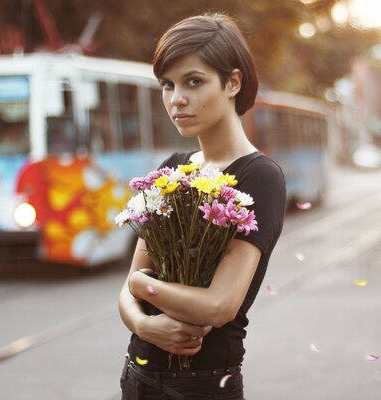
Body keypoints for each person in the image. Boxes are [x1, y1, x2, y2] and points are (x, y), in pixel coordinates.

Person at [118, 13, 286, 399]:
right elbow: (127, 293)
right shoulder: (172, 169)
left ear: (232, 82)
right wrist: (145, 328)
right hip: (137, 380)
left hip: (203, 387)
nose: (177, 99)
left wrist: (143, 285)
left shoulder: (258, 177)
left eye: (194, 82)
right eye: (167, 84)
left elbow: (219, 304)